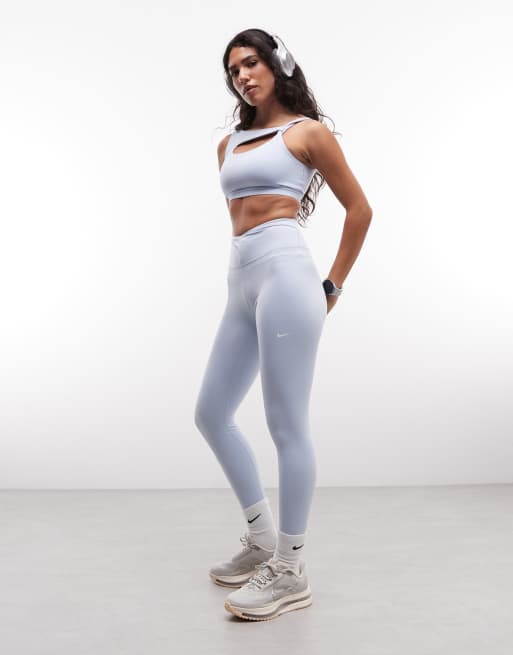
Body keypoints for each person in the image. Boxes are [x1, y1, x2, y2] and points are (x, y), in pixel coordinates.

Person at [194, 28, 372, 621]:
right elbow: (240, 217)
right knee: (211, 413)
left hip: (288, 278)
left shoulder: (307, 133)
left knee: (285, 423)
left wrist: (333, 286)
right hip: (241, 283)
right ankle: (262, 539)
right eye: (233, 70)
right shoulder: (229, 144)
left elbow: (360, 210)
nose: (243, 76)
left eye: (251, 63)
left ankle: (291, 569)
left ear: (278, 65)